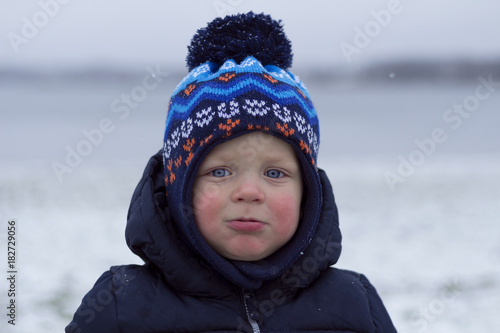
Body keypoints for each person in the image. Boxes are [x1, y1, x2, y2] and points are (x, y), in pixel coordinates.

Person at [66, 12, 397, 333]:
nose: (249, 192)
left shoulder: (355, 305)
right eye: (220, 172)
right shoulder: (120, 305)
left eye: (275, 173)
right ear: (179, 188)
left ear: (307, 192)